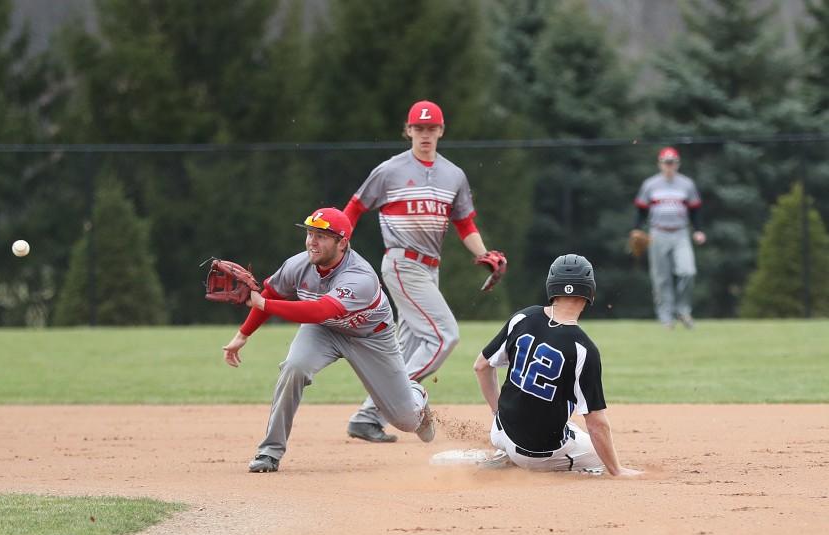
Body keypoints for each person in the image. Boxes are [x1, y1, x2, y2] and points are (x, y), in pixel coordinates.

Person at [222, 207, 436, 473]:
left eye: (322, 236)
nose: (312, 241)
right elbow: (272, 291)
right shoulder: (298, 264)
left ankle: (416, 393)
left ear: (342, 242)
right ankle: (269, 452)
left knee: (406, 421)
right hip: (323, 331)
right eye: (310, 233)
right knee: (294, 367)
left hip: (370, 337)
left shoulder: (360, 277)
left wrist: (263, 303)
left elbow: (320, 310)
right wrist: (242, 335)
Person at [343, 99, 502, 443]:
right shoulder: (389, 171)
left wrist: (484, 253)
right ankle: (399, 403)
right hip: (403, 263)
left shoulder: (453, 174)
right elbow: (354, 209)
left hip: (431, 269)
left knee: (407, 344)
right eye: (419, 128)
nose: (425, 134)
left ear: (441, 131)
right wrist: (339, 248)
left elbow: (464, 223)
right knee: (444, 335)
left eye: (432, 128)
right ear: (408, 130)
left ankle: (367, 417)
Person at [472, 254, 641, 477]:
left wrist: (497, 412)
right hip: (536, 454)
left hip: (500, 430)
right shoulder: (583, 348)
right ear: (589, 292)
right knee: (597, 457)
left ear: (551, 286)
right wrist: (617, 470)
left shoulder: (524, 317)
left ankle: (505, 453)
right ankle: (560, 470)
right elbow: (597, 424)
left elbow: (481, 366)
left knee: (570, 428)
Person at [631, 147, 706, 329]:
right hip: (657, 233)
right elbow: (641, 209)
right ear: (660, 164)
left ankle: (683, 310)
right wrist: (637, 229)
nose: (669, 166)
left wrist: (698, 230)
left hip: (680, 233)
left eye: (672, 162)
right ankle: (666, 318)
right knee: (661, 278)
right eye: (666, 162)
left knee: (688, 271)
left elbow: (695, 210)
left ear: (678, 164)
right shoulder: (650, 184)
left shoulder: (686, 184)